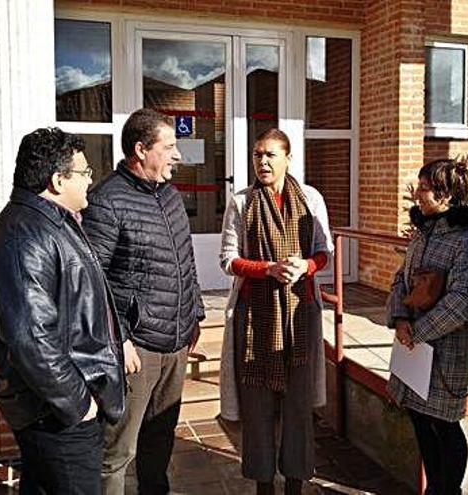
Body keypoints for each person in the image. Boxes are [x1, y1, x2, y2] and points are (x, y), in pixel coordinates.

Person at [0, 128, 129, 494]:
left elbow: (82, 302)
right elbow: (30, 339)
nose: (91, 181)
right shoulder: (22, 238)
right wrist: (79, 404)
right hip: (56, 415)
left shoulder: (52, 223)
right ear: (58, 180)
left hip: (59, 409)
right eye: (85, 173)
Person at [83, 108, 205, 495]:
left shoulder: (169, 195)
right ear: (140, 150)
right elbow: (92, 281)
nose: (177, 155)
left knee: (160, 441)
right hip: (136, 349)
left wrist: (195, 315)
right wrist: (118, 340)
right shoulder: (106, 201)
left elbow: (185, 259)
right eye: (168, 147)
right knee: (117, 451)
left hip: (176, 340)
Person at [218, 128, 333, 495]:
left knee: (299, 406)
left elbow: (323, 251)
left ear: (287, 158)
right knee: (257, 404)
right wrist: (266, 269)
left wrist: (306, 267)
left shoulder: (311, 199)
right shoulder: (240, 202)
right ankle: (263, 484)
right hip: (256, 317)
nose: (262, 162)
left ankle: (296, 483)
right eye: (257, 155)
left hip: (301, 314)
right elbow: (227, 260)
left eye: (270, 154)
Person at [386, 159, 468, 494]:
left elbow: (462, 301)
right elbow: (400, 280)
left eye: (425, 188)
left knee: (445, 424)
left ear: (446, 193)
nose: (417, 194)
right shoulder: (423, 231)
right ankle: (434, 486)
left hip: (446, 350)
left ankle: (448, 490)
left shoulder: (466, 239)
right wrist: (400, 319)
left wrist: (417, 332)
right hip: (413, 346)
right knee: (419, 416)